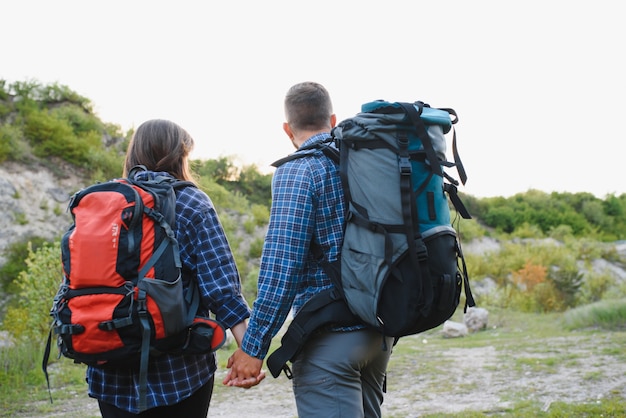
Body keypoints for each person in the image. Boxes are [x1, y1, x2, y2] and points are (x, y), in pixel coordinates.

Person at [224, 82, 394, 417]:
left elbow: (281, 270)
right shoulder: (364, 162)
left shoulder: (298, 170)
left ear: (287, 128)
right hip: (378, 332)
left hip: (329, 340)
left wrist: (253, 347)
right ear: (332, 118)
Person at [87, 119, 260, 417]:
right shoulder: (191, 202)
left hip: (110, 366)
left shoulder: (102, 201)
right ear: (180, 156)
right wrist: (249, 350)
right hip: (179, 371)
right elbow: (221, 289)